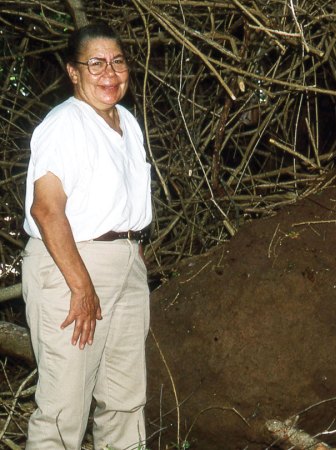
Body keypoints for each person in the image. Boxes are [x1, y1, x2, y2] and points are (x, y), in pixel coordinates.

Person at [21, 22, 152, 449]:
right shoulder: (64, 126)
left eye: (117, 62)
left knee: (125, 401)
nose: (109, 74)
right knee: (64, 410)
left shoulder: (127, 123)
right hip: (70, 267)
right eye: (95, 64)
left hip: (126, 262)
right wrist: (81, 286)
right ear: (73, 73)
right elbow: (46, 209)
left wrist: (132, 258)